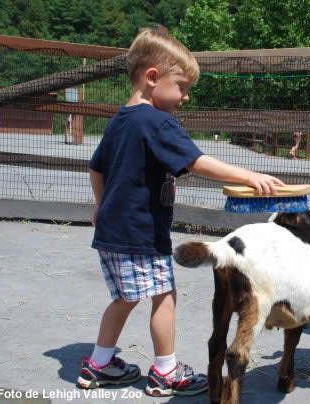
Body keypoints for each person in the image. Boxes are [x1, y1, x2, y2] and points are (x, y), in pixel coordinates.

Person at [78, 28, 284, 396]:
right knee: (164, 296)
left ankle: (99, 363)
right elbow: (198, 161)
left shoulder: (120, 119)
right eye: (182, 86)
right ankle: (165, 372)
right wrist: (250, 175)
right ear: (153, 77)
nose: (185, 97)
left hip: (112, 229)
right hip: (141, 232)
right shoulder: (156, 121)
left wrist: (100, 205)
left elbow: (96, 168)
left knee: (125, 297)